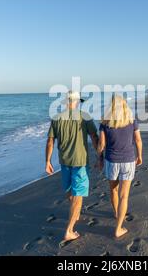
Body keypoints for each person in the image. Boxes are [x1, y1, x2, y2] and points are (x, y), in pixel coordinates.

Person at [45, 91, 98, 242]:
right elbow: (94, 137)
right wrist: (100, 155)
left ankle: (76, 213)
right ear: (76, 102)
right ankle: (69, 230)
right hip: (80, 161)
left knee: (70, 191)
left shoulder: (57, 118)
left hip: (64, 161)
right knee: (77, 196)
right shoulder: (85, 116)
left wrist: (47, 161)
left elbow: (50, 141)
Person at [97, 95, 143, 238]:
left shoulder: (105, 123)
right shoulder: (131, 121)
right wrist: (140, 156)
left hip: (111, 161)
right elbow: (138, 140)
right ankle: (118, 227)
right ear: (124, 106)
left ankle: (117, 213)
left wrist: (99, 158)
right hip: (128, 160)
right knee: (124, 196)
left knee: (113, 190)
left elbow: (101, 145)